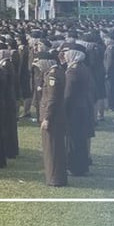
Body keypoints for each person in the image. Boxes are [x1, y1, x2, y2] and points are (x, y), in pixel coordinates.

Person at [63, 42, 95, 177]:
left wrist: (63, 107)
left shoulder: (73, 71)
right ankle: (81, 166)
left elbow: (68, 93)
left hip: (74, 109)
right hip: (83, 107)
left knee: (74, 139)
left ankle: (74, 167)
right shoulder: (83, 68)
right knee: (80, 139)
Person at [39, 49, 67, 187]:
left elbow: (52, 99)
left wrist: (47, 118)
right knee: (55, 147)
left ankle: (54, 178)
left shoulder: (52, 75)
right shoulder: (57, 72)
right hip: (57, 116)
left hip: (53, 117)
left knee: (52, 148)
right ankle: (55, 177)